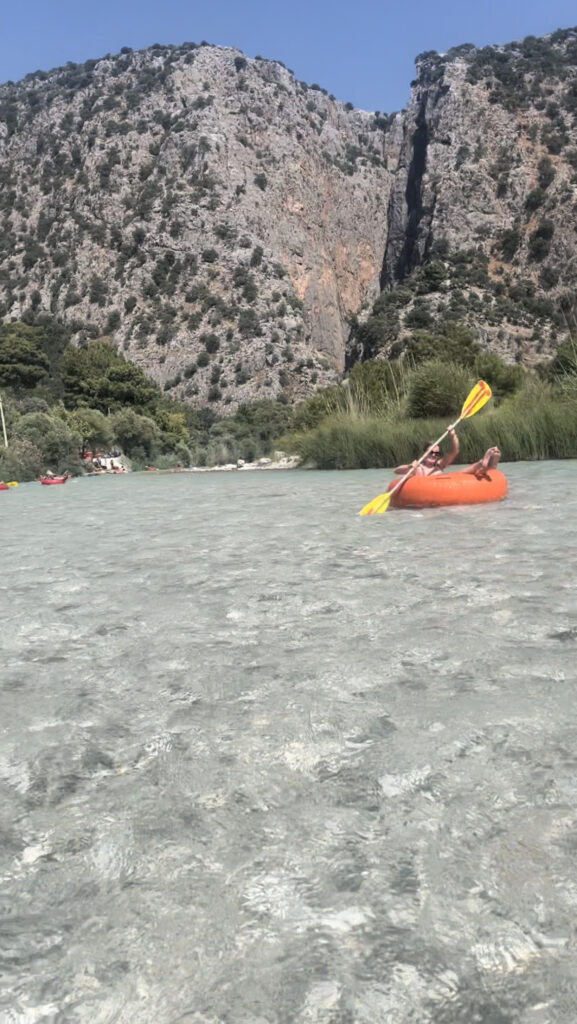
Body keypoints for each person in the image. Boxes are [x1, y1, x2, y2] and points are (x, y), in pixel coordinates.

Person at [394, 429, 501, 478]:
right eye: (431, 452)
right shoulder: (418, 468)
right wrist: (410, 466)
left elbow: (454, 452)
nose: (434, 455)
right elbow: (397, 471)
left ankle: (485, 463)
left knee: (464, 472)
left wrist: (452, 436)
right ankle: (485, 465)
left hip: (444, 483)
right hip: (427, 489)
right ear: (424, 453)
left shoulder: (439, 465)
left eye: (437, 453)